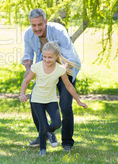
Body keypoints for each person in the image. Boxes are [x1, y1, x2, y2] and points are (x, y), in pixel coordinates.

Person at [22, 8, 82, 151]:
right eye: (33, 25)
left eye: (39, 24)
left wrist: (60, 71)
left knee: (66, 106)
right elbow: (27, 55)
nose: (37, 28)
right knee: (34, 101)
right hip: (43, 69)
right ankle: (44, 133)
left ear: (46, 22)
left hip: (65, 68)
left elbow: (69, 54)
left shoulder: (58, 30)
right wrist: (28, 69)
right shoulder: (28, 34)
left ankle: (67, 141)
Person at [20, 41, 87, 156]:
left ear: (57, 56)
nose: (47, 60)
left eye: (50, 57)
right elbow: (26, 81)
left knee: (56, 123)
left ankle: (50, 132)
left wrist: (78, 101)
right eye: (44, 57)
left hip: (51, 100)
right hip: (37, 100)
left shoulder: (60, 69)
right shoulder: (37, 67)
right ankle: (43, 150)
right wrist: (22, 94)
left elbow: (69, 86)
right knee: (43, 125)